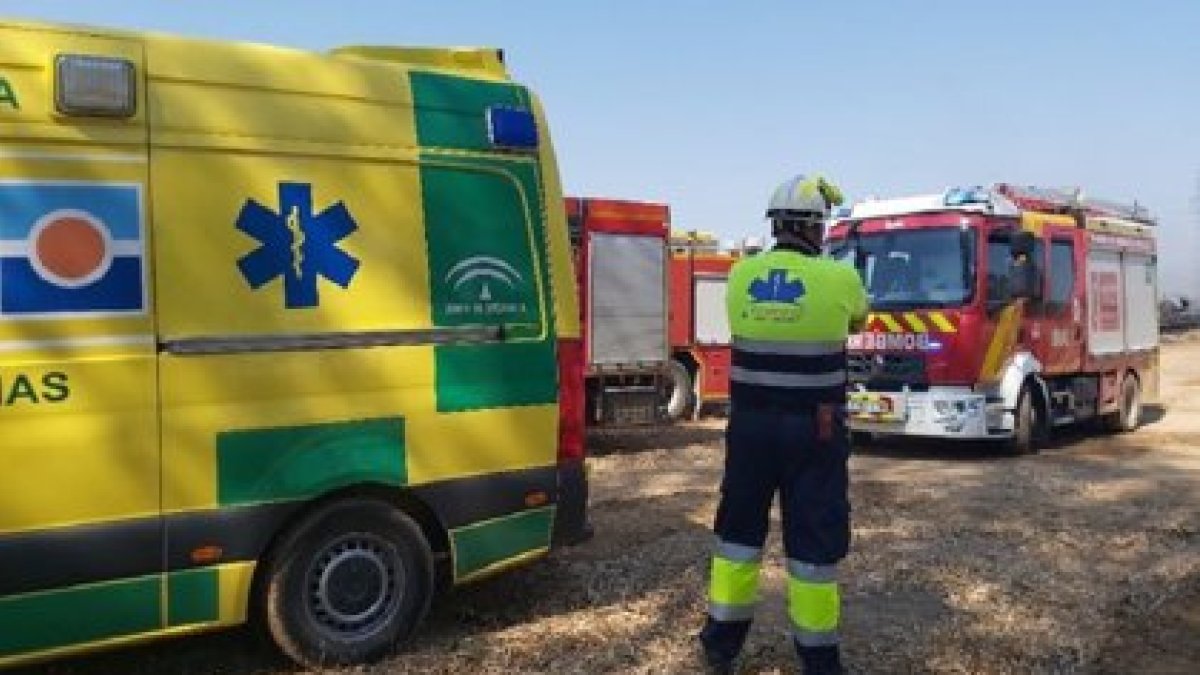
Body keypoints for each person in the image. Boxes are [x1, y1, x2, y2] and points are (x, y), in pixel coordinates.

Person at [699, 174, 868, 674]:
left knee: (737, 536)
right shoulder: (841, 279)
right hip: (814, 433)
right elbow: (858, 319)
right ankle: (818, 660)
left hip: (750, 430)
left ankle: (720, 646)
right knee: (813, 546)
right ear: (818, 228)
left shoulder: (739, 276)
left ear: (774, 224)